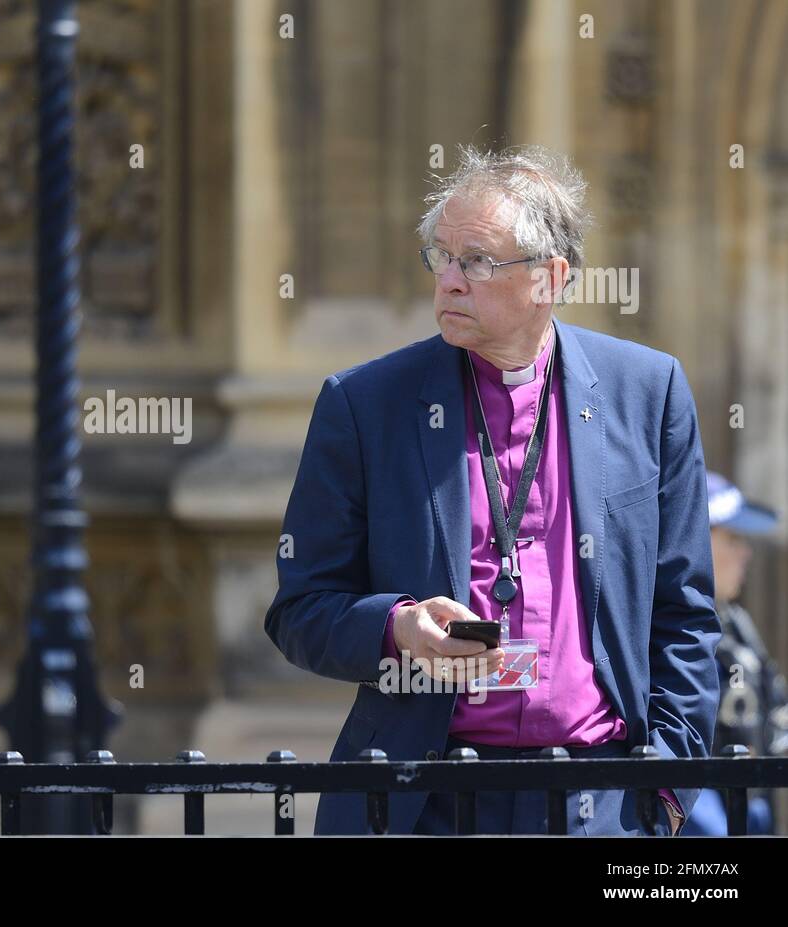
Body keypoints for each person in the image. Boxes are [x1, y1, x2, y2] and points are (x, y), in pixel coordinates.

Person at [264, 144, 720, 835]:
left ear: (550, 276)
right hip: (430, 799)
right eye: (440, 258)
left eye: (475, 261)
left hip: (601, 798)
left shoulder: (648, 393)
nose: (448, 281)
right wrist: (396, 628)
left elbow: (685, 612)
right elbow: (300, 608)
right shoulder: (364, 404)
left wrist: (666, 785)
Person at [679, 472, 787, 835]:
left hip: (751, 808)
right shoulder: (668, 630)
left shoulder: (737, 621)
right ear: (696, 540)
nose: (746, 552)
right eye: (732, 537)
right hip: (703, 815)